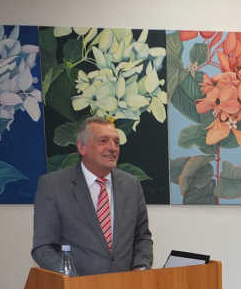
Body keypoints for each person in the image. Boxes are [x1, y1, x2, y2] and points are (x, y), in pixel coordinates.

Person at [32, 116, 153, 276]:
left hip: (125, 287)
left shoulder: (131, 185)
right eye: (103, 141)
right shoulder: (53, 185)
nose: (113, 148)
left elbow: (142, 238)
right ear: (82, 147)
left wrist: (141, 268)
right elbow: (43, 247)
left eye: (116, 142)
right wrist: (73, 281)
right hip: (77, 287)